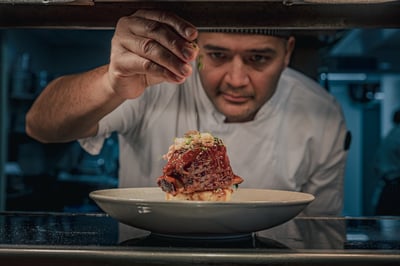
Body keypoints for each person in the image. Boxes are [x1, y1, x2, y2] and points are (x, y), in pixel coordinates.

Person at [25, 10, 350, 216]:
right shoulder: (156, 82)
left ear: (288, 52)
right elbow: (41, 126)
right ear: (195, 51)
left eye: (259, 59)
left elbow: (319, 226)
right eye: (218, 55)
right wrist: (112, 82)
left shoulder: (321, 114)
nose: (236, 80)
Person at [374, 108, 400, 215]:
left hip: (387, 186)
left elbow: (376, 166)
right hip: (396, 188)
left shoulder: (390, 135)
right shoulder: (398, 136)